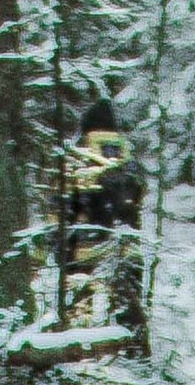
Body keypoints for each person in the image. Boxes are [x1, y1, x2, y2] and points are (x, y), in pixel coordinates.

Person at [58, 98, 147, 337]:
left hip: (87, 250)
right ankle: (133, 347)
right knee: (130, 306)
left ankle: (83, 351)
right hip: (128, 248)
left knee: (81, 310)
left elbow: (64, 205)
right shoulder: (130, 161)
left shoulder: (79, 157)